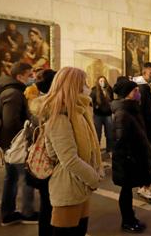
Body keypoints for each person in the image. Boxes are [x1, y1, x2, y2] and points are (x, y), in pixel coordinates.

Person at [39, 67, 102, 236]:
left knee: (79, 231)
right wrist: (93, 178)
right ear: (74, 86)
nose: (88, 87)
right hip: (67, 187)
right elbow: (69, 159)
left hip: (80, 184)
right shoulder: (59, 116)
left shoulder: (78, 111)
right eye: (84, 83)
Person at [0, 62, 38, 226]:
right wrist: (27, 128)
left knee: (11, 178)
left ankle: (8, 214)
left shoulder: (10, 90)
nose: (32, 78)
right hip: (16, 143)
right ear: (19, 76)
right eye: (29, 75)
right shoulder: (13, 93)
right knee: (26, 177)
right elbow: (10, 121)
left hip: (9, 142)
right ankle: (27, 213)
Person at [111, 76, 151, 233]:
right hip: (127, 160)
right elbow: (120, 141)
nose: (138, 93)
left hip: (133, 157)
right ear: (128, 93)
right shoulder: (123, 113)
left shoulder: (131, 109)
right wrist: (130, 157)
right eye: (135, 91)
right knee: (126, 192)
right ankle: (127, 221)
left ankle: (130, 217)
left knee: (128, 191)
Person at [27, 68, 56, 236]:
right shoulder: (47, 106)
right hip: (46, 161)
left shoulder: (37, 103)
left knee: (46, 203)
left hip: (39, 161)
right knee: (49, 204)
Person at [133, 62, 151, 203]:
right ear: (144, 73)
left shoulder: (145, 88)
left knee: (150, 158)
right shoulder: (142, 89)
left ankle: (145, 185)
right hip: (144, 131)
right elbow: (141, 112)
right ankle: (144, 187)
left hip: (148, 130)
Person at [90, 76, 114, 154]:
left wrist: (110, 106)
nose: (102, 82)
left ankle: (109, 150)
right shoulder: (94, 90)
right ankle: (97, 151)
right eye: (100, 81)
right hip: (98, 115)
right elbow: (90, 101)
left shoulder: (109, 89)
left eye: (103, 81)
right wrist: (96, 106)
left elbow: (112, 100)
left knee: (109, 133)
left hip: (108, 114)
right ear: (98, 82)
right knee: (98, 133)